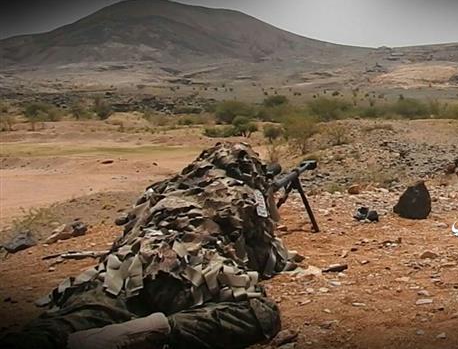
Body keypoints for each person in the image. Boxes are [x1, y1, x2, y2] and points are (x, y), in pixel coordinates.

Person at [1, 142, 295, 349]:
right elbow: (264, 255)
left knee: (75, 317)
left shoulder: (163, 189)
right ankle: (157, 331)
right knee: (259, 313)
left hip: (123, 269)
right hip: (190, 268)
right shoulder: (240, 191)